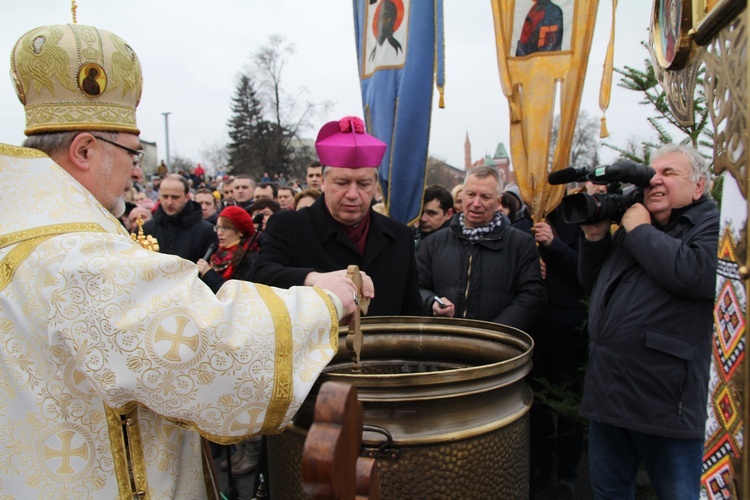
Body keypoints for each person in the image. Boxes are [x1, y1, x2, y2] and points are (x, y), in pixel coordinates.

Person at [0, 22, 360, 498]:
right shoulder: (75, 253)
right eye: (132, 152)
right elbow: (204, 346)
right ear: (85, 149)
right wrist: (324, 303)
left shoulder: (19, 225)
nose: (137, 169)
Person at [578, 144, 719, 498]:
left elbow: (696, 274)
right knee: (608, 493)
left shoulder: (712, 225)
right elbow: (595, 283)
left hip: (668, 406)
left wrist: (641, 231)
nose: (655, 179)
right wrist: (595, 237)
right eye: (651, 173)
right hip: (608, 396)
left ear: (699, 187)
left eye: (669, 173)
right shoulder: (635, 225)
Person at [250, 116, 422, 317]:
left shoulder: (400, 236)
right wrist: (315, 280)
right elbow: (259, 277)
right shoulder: (288, 225)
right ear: (323, 182)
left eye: (364, 184)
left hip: (384, 347)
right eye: (342, 183)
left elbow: (412, 312)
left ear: (376, 185)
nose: (353, 194)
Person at [417, 165, 545, 333]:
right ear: (462, 197)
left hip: (498, 349)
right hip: (444, 344)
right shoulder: (433, 243)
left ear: (498, 202)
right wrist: (433, 302)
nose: (476, 203)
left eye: (485, 197)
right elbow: (417, 287)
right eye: (470, 195)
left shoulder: (520, 244)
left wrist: (495, 333)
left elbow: (531, 296)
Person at [530, 205, 587, 496]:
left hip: (566, 335)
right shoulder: (523, 219)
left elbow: (586, 272)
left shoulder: (575, 220)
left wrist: (554, 245)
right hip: (530, 334)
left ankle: (567, 474)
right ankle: (540, 469)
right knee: (535, 411)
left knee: (566, 412)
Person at [142, 173, 218, 262]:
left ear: (187, 197)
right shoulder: (146, 229)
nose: (169, 202)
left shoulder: (206, 231)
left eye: (175, 197)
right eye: (165, 197)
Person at [414, 184, 454, 252]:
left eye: (431, 213)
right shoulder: (415, 237)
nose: (423, 219)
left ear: (448, 214)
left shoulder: (452, 247)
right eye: (421, 212)